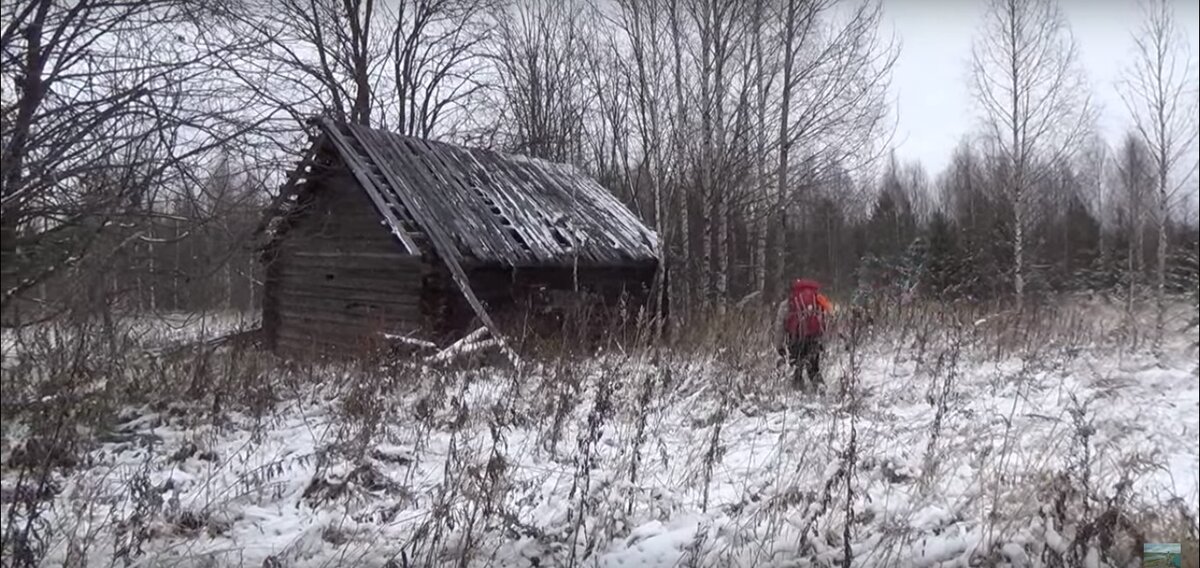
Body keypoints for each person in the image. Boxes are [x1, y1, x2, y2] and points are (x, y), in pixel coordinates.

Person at [775, 278, 833, 390]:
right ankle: (820, 389)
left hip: (795, 340)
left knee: (797, 369)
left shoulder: (788, 303)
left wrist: (779, 346)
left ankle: (799, 395)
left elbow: (779, 326)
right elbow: (829, 316)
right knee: (814, 369)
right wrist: (824, 342)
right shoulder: (818, 299)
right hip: (814, 339)